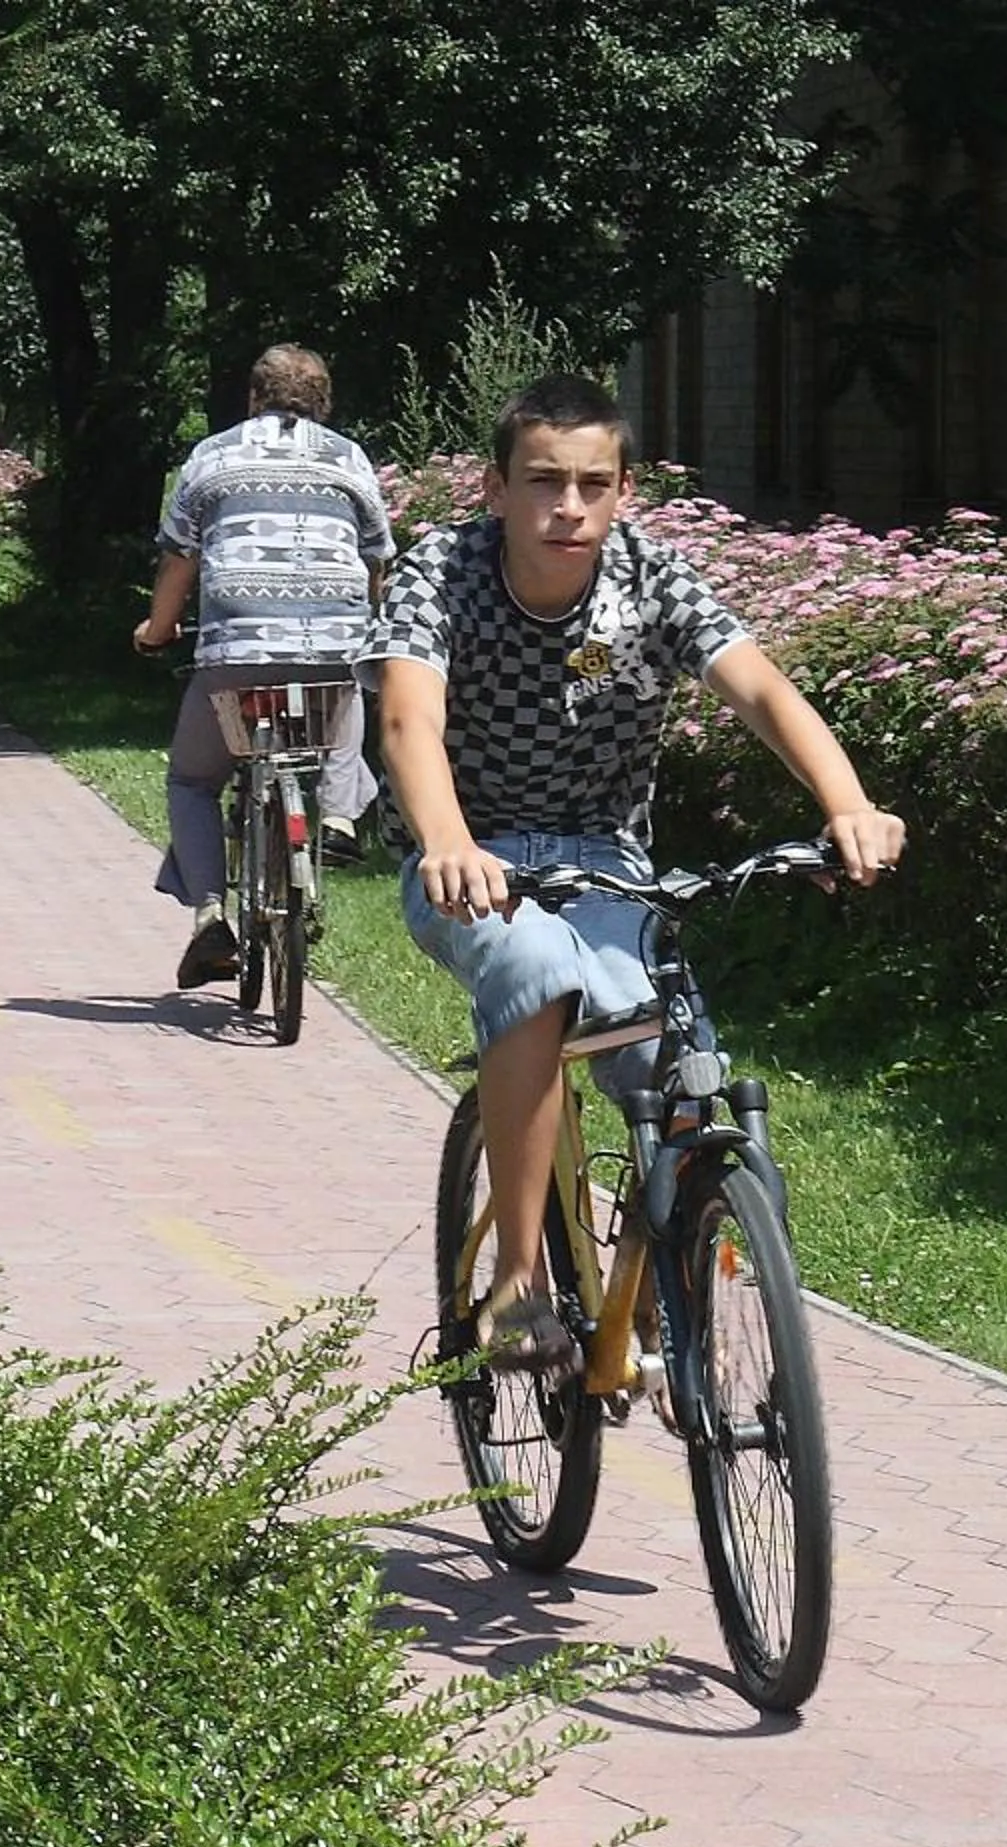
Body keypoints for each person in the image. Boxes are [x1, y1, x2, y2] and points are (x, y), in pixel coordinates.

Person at [369, 373, 905, 1370]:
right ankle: (521, 1286)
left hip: (610, 864)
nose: (566, 507)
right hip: (472, 857)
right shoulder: (442, 569)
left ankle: (667, 1281)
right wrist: (446, 840)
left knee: (676, 1059)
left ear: (623, 491)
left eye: (590, 483)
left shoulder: (650, 577)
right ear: (495, 488)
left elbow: (761, 691)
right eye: (541, 481)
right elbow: (409, 718)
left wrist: (847, 805)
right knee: (535, 975)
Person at [134, 342, 393, 989]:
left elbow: (178, 560)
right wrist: (372, 622)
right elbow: (376, 560)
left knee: (192, 781)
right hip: (331, 647)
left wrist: (156, 629)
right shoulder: (350, 458)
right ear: (323, 404)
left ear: (252, 398)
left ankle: (211, 917)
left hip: (236, 654)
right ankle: (334, 817)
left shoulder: (212, 456)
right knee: (344, 686)